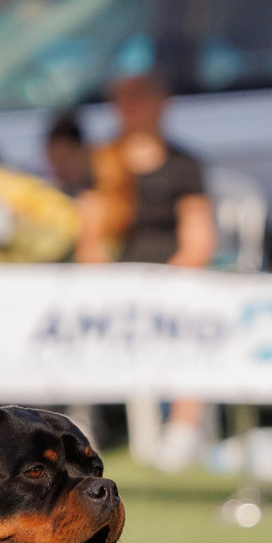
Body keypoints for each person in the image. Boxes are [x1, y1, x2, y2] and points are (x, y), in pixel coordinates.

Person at [78, 74, 216, 470]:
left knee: (193, 321)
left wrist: (168, 279)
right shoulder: (102, 163)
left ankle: (183, 427)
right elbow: (91, 237)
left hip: (172, 278)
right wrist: (107, 281)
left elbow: (198, 240)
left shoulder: (183, 165)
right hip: (117, 282)